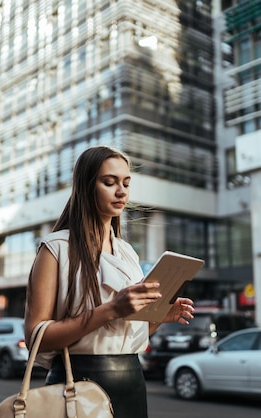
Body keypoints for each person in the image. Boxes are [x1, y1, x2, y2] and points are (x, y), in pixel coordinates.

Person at [24, 146, 195, 418]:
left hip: (131, 382)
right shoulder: (55, 248)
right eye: (109, 182)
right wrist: (111, 309)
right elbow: (36, 337)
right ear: (86, 186)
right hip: (77, 385)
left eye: (126, 183)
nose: (121, 191)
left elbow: (121, 335)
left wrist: (159, 317)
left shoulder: (128, 252)